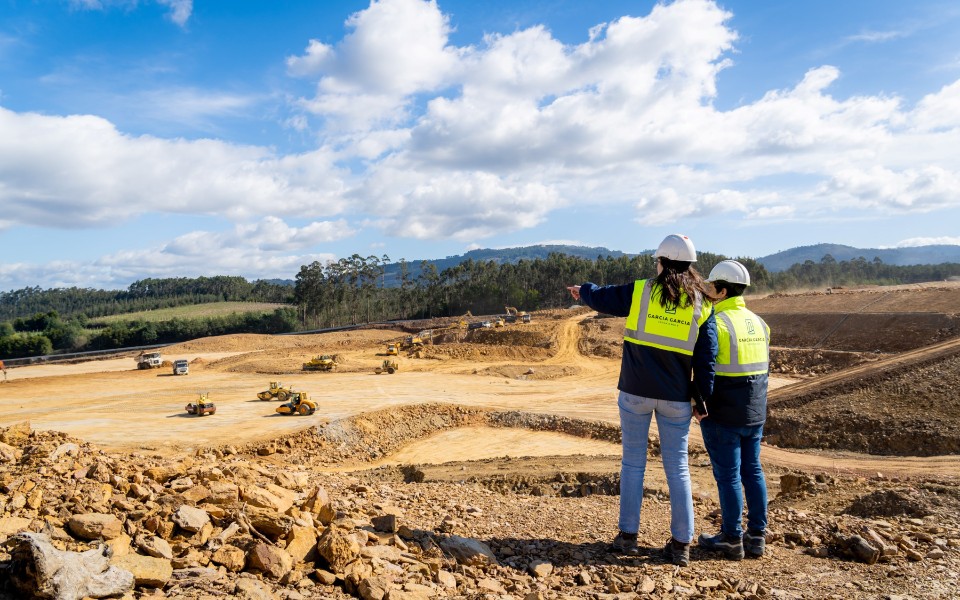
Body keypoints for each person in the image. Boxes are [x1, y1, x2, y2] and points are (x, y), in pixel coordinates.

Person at [567, 234, 716, 567]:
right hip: (676, 398)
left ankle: (628, 537)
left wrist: (585, 290)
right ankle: (681, 545)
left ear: (660, 263)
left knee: (633, 463)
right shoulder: (703, 304)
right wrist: (701, 399)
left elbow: (604, 298)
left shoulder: (641, 291)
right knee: (678, 468)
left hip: (634, 392)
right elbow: (707, 359)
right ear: (690, 267)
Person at [696, 260, 770, 560]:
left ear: (722, 290)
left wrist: (699, 401)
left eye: (711, 288)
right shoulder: (760, 323)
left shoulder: (717, 322)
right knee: (752, 470)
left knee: (728, 476)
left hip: (724, 413)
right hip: (755, 411)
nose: (708, 293)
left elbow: (707, 366)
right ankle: (757, 536)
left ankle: (731, 537)